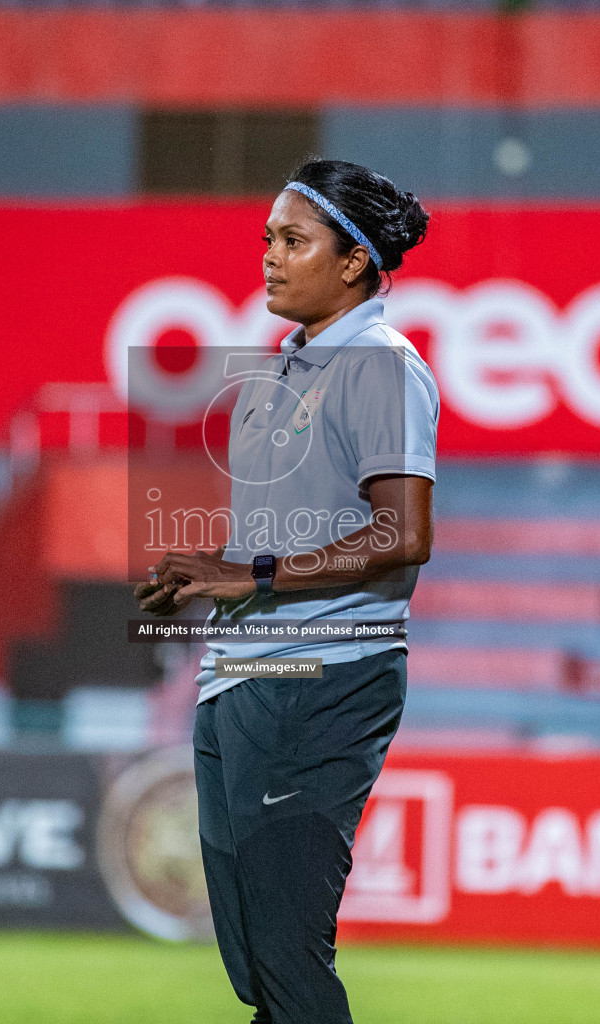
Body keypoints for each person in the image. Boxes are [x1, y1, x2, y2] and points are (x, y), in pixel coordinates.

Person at [135, 159, 437, 1024]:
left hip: (323, 680)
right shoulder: (278, 376)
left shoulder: (381, 366)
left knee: (289, 957)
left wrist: (251, 575)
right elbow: (283, 536)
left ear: (353, 263)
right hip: (237, 678)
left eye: (293, 240)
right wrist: (207, 568)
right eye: (268, 237)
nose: (268, 255)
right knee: (255, 968)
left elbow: (403, 536)